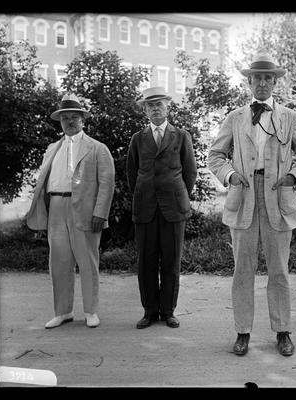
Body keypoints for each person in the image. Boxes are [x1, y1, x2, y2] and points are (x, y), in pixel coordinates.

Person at [207, 53, 296, 356]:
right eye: (258, 78)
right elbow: (215, 156)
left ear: (275, 82)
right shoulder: (235, 117)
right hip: (243, 197)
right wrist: (230, 176)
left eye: (268, 78)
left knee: (279, 269)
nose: (263, 83)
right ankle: (243, 332)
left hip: (278, 199)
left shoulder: (290, 117)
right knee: (243, 269)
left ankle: (282, 331)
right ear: (249, 82)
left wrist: (293, 177)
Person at [26, 93, 115, 329]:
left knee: (87, 261)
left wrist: (100, 213)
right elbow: (44, 182)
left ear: (83, 119)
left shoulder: (97, 148)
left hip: (85, 210)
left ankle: (90, 311)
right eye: (65, 118)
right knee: (59, 262)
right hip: (56, 206)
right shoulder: (52, 148)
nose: (70, 122)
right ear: (60, 121)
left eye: (74, 117)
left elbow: (107, 183)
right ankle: (63, 311)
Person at [126, 87, 197, 330]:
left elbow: (190, 173)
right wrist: (144, 192)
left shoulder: (181, 136)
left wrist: (178, 195)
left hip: (173, 207)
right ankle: (149, 311)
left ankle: (168, 311)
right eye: (150, 105)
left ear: (168, 107)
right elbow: (132, 174)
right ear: (144, 110)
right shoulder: (137, 138)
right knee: (146, 261)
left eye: (159, 104)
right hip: (145, 206)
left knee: (171, 260)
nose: (155, 109)